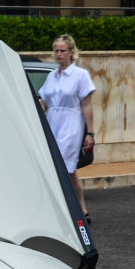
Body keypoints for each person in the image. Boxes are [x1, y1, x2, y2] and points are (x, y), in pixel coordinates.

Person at [38, 34, 95, 221]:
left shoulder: (81, 75)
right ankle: (81, 208)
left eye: (62, 50)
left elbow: (87, 105)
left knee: (66, 167)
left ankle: (72, 210)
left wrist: (90, 133)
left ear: (71, 52)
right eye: (56, 50)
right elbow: (44, 103)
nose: (59, 54)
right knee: (64, 169)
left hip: (72, 124)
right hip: (54, 122)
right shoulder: (52, 76)